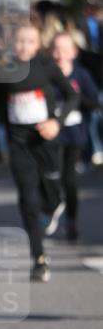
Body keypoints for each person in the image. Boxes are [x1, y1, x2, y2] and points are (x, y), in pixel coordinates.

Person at [0, 21, 78, 281]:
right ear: (12, 44)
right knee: (28, 198)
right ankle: (39, 258)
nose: (24, 46)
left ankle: (55, 204)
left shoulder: (47, 67)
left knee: (51, 194)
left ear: (38, 44)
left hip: (45, 140)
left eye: (30, 42)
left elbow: (71, 96)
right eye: (19, 41)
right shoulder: (5, 70)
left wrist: (56, 122)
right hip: (19, 141)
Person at [50, 32, 100, 241]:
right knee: (53, 176)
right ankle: (52, 206)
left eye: (65, 49)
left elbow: (94, 101)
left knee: (69, 180)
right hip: (51, 133)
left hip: (74, 133)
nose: (60, 54)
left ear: (73, 52)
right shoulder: (47, 75)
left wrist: (75, 99)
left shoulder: (81, 75)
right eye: (56, 49)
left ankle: (71, 221)